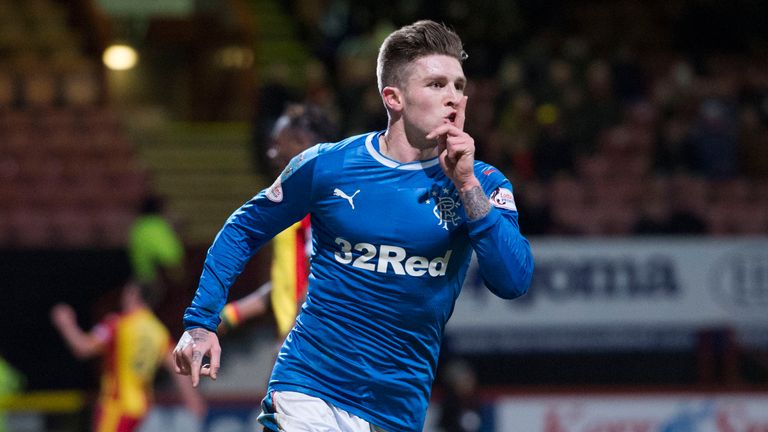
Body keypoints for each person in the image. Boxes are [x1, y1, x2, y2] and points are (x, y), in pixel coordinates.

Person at [173, 20, 534, 432]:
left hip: (398, 409)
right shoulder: (329, 166)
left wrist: (466, 184)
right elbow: (244, 228)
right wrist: (201, 323)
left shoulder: (484, 184)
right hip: (310, 387)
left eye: (458, 84)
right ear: (393, 98)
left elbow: (513, 282)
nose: (453, 98)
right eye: (436, 84)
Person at [218, 104, 337, 340]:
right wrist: (233, 313)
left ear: (305, 144)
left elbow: (323, 277)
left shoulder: (321, 200)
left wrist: (292, 339)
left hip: (313, 344)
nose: (272, 153)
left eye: (279, 143)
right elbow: (290, 281)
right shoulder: (296, 200)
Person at [51, 280, 206, 432]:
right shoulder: (158, 332)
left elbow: (83, 348)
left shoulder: (118, 324)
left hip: (117, 404)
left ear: (133, 294)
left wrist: (66, 323)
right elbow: (177, 367)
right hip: (141, 406)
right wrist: (193, 400)